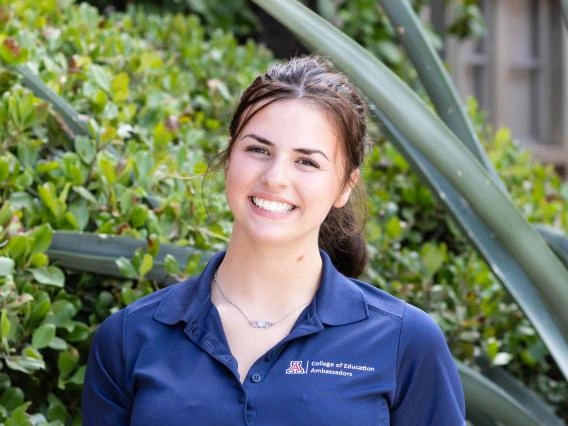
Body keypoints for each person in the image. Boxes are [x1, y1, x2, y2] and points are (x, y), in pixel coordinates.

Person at [82, 56, 466, 425]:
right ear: (230, 157)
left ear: (345, 186)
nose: (275, 177)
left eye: (307, 161)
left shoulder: (405, 341)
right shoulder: (130, 337)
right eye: (258, 150)